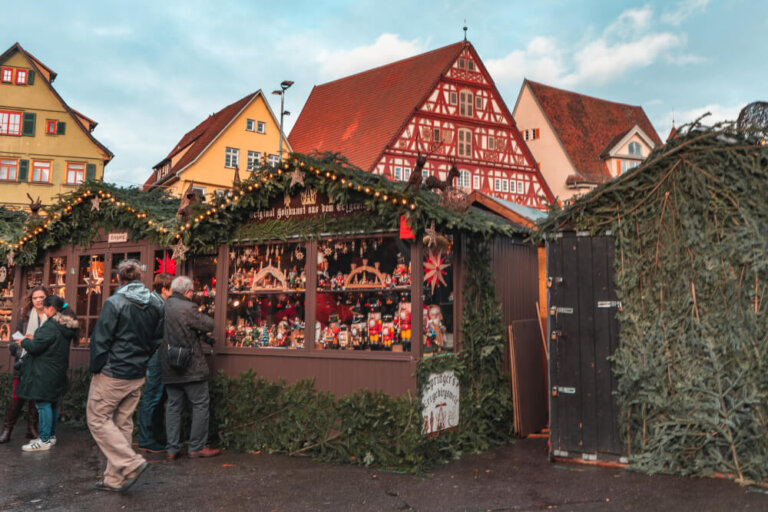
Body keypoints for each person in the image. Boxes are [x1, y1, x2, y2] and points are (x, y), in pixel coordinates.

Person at [87, 259, 164, 492]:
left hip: (113, 372)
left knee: (97, 418)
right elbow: (156, 340)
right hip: (137, 371)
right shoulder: (156, 304)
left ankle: (130, 463)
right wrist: (141, 359)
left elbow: (101, 340)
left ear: (119, 279)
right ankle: (114, 478)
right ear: (140, 278)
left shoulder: (114, 302)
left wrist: (97, 367)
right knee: (122, 423)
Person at [160, 275, 219, 459]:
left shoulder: (164, 306)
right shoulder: (188, 307)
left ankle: (171, 448)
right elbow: (209, 324)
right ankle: (196, 446)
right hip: (190, 365)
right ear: (187, 291)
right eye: (192, 291)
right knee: (200, 404)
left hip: (169, 362)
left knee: (173, 406)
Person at [14, 295, 78, 452]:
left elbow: (36, 348)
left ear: (51, 309)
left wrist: (24, 341)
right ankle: (50, 437)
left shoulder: (51, 325)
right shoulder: (63, 324)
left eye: (44, 308)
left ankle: (43, 440)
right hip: (56, 370)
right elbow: (49, 343)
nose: (43, 310)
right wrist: (34, 338)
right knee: (53, 403)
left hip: (45, 372)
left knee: (43, 404)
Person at [0, 285, 49, 444]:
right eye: (35, 298)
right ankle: (7, 429)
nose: (39, 300)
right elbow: (16, 336)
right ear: (31, 300)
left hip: (41, 362)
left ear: (46, 298)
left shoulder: (51, 316)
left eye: (41, 297)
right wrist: (25, 346)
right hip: (24, 360)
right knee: (17, 396)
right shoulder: (25, 316)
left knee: (35, 397)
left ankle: (31, 428)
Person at [137, 273, 173, 453]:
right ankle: (146, 439)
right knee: (152, 396)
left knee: (158, 396)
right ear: (164, 289)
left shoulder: (158, 302)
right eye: (172, 289)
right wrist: (156, 347)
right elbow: (147, 331)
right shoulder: (155, 304)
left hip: (158, 353)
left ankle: (157, 437)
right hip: (155, 355)